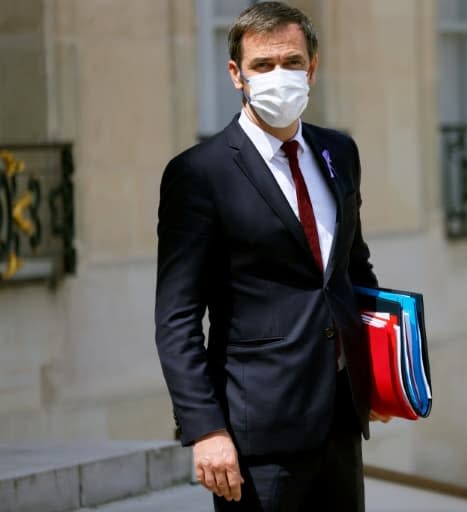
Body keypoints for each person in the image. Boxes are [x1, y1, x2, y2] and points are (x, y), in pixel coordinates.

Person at [154, 2, 388, 510]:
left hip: (341, 422)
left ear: (313, 68)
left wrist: (383, 375)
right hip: (256, 437)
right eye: (263, 65)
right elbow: (177, 320)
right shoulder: (199, 174)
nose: (279, 75)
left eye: (292, 62)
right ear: (237, 74)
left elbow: (353, 271)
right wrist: (205, 429)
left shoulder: (339, 152)